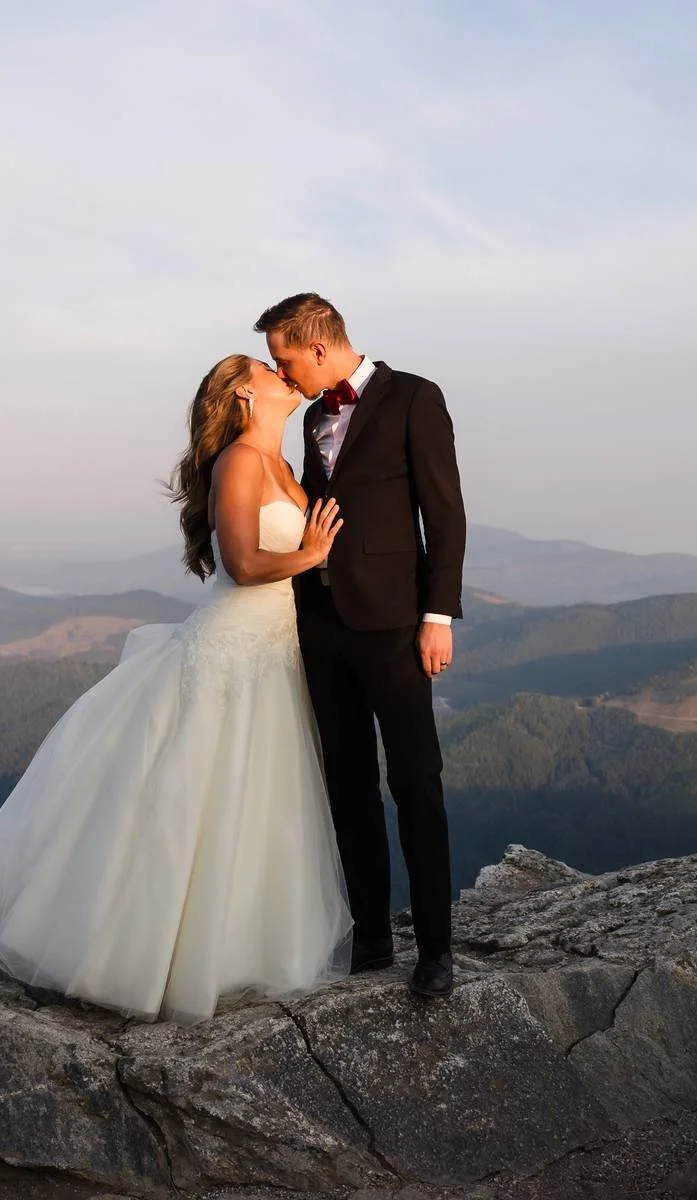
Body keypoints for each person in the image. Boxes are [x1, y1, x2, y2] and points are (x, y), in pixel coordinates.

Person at [0, 354, 354, 1023]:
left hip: (272, 649)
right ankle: (141, 954)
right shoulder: (237, 461)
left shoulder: (282, 467)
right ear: (242, 395)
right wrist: (312, 555)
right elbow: (244, 561)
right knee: (193, 797)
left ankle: (239, 951)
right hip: (232, 646)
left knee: (258, 797)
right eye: (269, 370)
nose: (285, 376)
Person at [256, 293, 467, 999]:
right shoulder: (315, 415)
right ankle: (372, 937)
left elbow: (445, 512)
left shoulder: (415, 398)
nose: (282, 374)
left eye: (285, 359)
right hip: (320, 626)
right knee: (347, 784)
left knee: (415, 783)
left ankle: (435, 950)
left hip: (397, 625)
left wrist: (438, 615)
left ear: (318, 349)